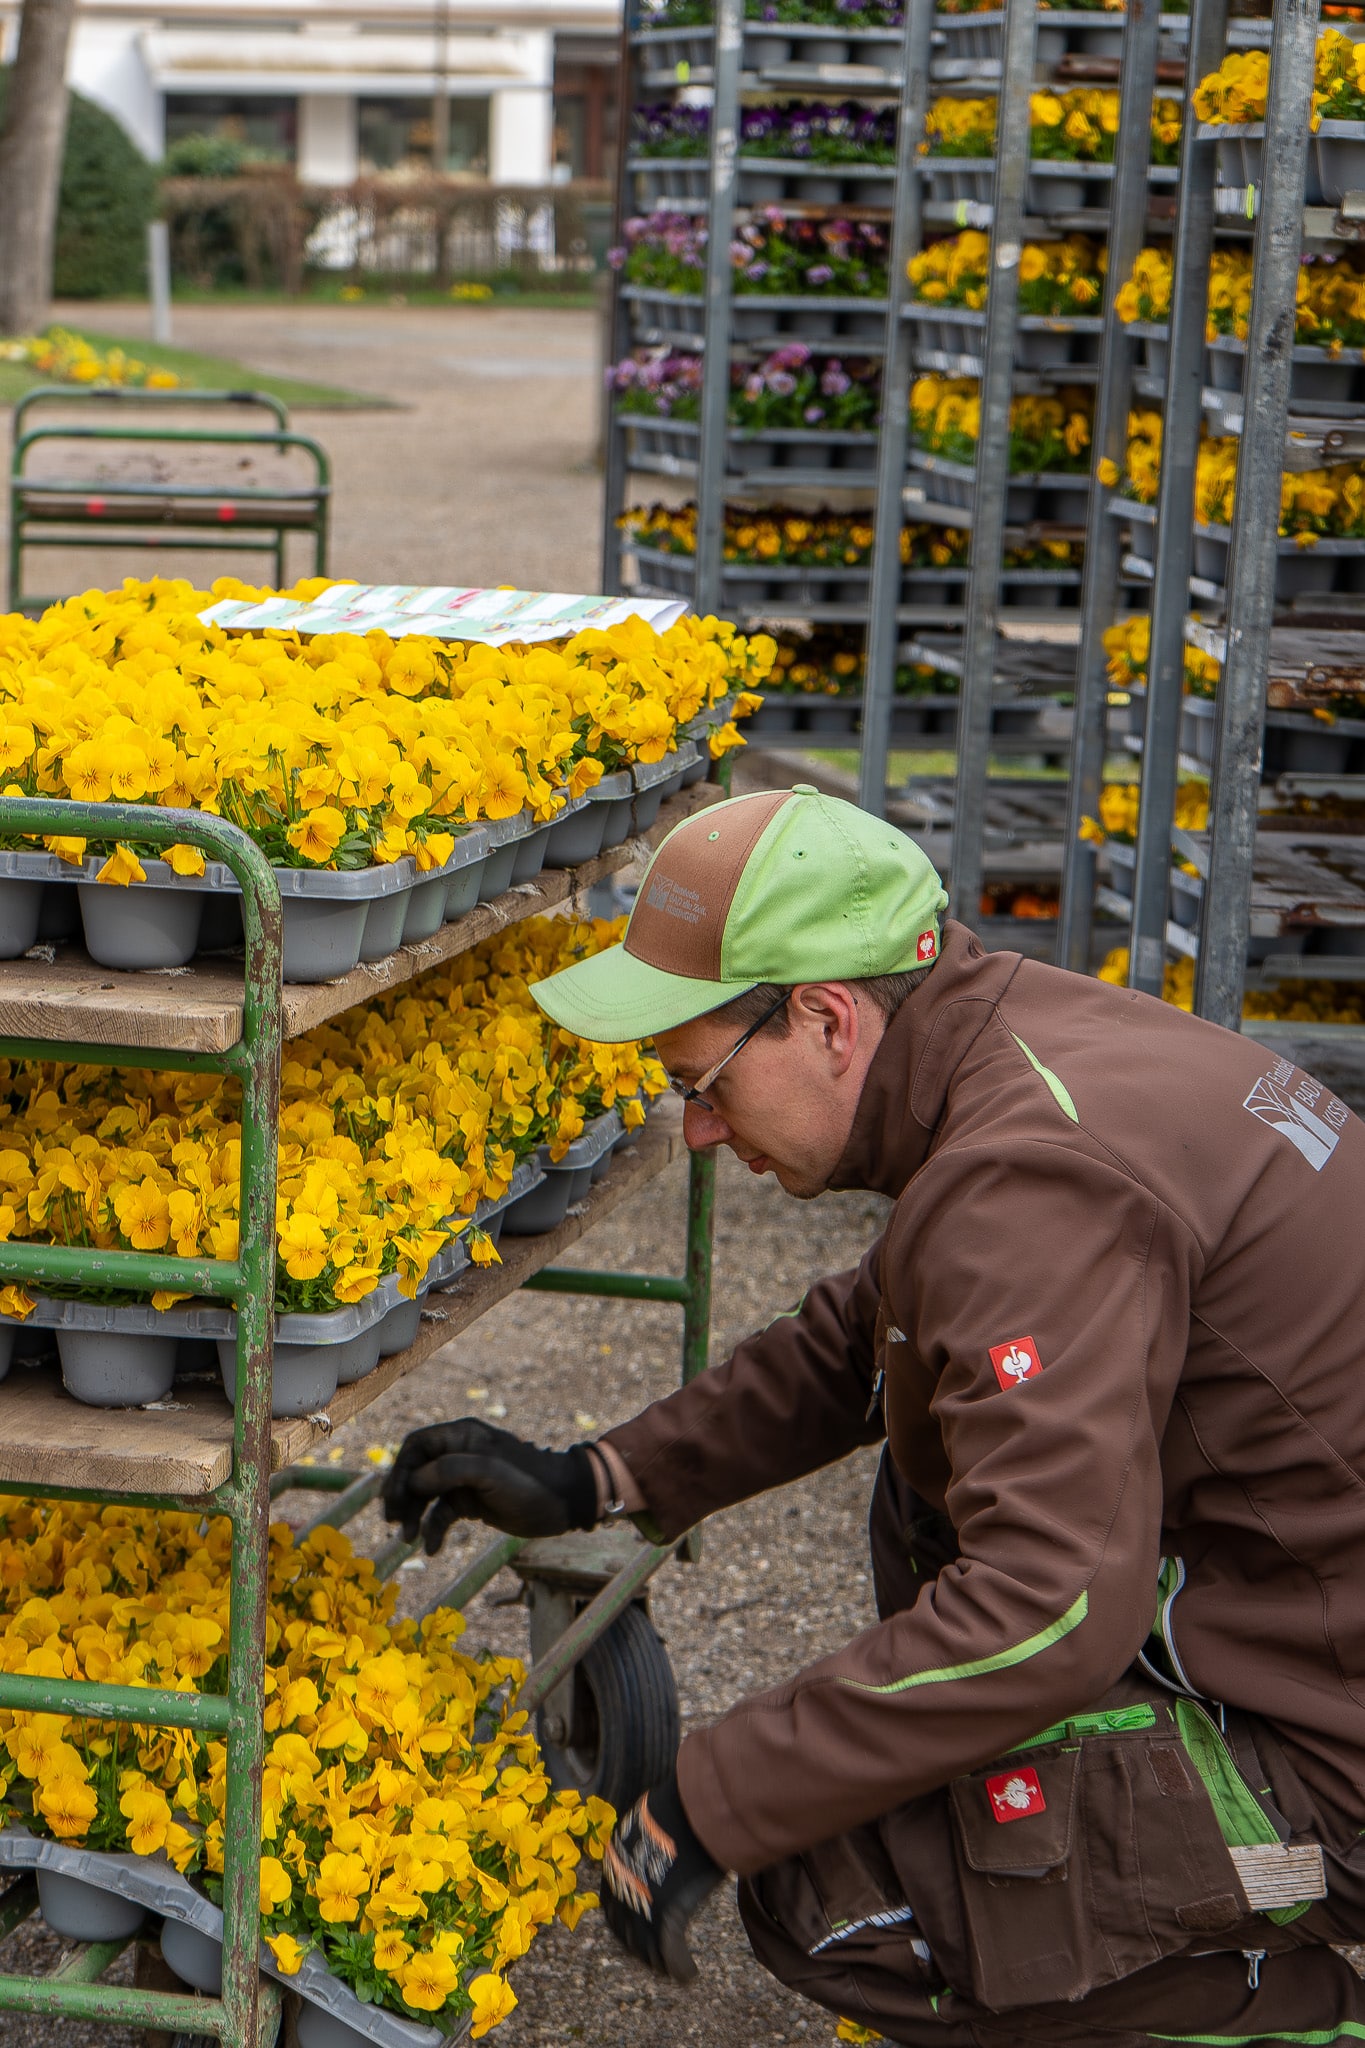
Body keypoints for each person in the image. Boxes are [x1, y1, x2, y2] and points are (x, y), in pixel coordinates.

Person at [383, 784, 1365, 2046]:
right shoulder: (1015, 1039)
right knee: (930, 1475)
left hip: (1327, 1747)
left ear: (828, 1016)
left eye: (703, 1081)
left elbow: (1051, 1606)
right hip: (1300, 1622)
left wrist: (708, 1796)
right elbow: (875, 1327)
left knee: (830, 1891)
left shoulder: (1027, 1184)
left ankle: (1284, 2014)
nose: (693, 1129)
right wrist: (596, 1476)